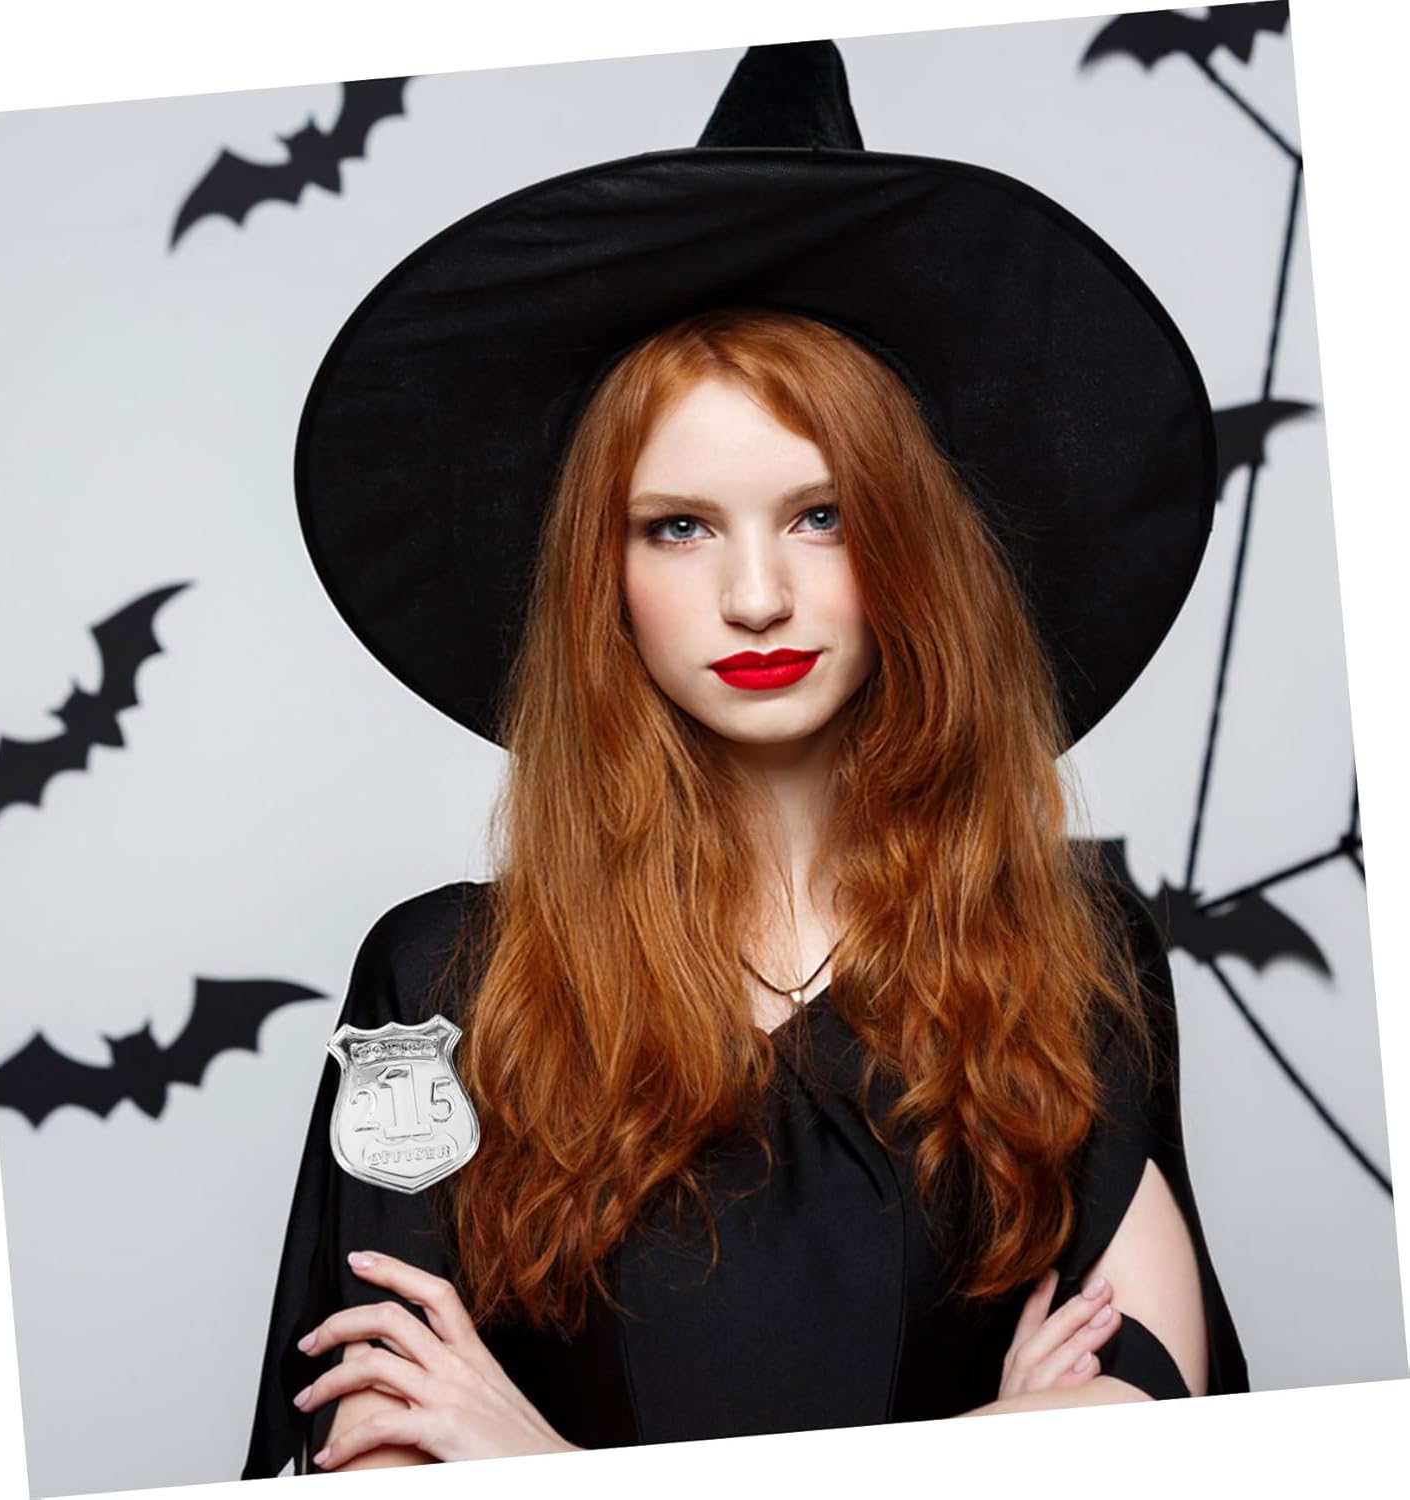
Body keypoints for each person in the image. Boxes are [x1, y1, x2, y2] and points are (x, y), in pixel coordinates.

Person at [242, 40, 1248, 1479]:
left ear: (914, 550)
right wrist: (991, 1438)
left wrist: (544, 1463)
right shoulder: (440, 986)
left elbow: (1154, 1413)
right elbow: (379, 1438)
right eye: (679, 527)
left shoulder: (1067, 946)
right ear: (602, 579)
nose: (758, 597)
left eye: (822, 516)